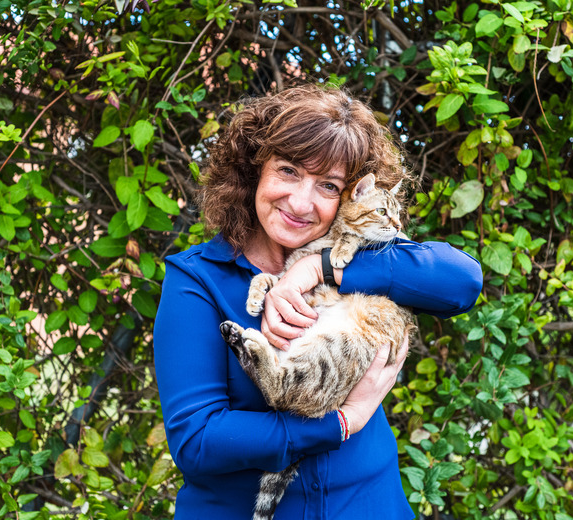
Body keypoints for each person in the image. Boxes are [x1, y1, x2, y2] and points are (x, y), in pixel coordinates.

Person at [153, 84, 483, 519]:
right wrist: (343, 421)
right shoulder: (198, 279)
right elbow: (198, 443)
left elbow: (462, 281)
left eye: (327, 185)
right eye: (288, 170)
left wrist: (319, 269)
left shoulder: (363, 254)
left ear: (349, 197)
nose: (301, 202)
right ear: (255, 170)